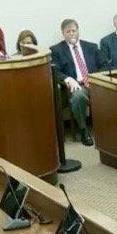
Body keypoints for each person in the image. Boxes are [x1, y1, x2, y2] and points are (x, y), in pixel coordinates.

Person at [49, 19, 101, 147]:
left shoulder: (92, 47)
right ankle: (84, 131)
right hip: (77, 85)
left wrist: (98, 79)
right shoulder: (56, 50)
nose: (71, 33)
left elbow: (103, 65)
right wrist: (68, 79)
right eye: (68, 31)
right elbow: (54, 70)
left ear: (78, 31)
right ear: (63, 33)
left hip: (95, 83)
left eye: (74, 30)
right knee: (77, 97)